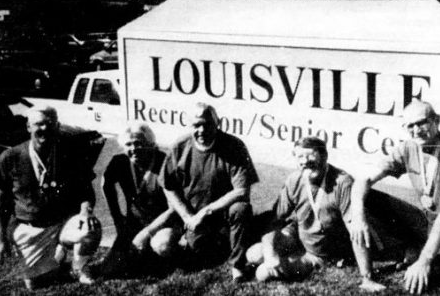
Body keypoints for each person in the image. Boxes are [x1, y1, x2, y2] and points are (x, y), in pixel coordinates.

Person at [350, 100, 440, 294]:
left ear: (436, 121)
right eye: (410, 126)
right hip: (427, 221)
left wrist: (425, 261)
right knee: (367, 198)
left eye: (422, 123)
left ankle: (420, 254)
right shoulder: (408, 147)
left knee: (426, 276)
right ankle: (410, 251)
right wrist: (358, 216)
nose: (416, 130)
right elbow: (363, 179)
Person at [246, 137, 386, 292]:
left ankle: (294, 260)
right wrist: (271, 253)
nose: (304, 162)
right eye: (300, 157)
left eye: (310, 157)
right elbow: (275, 219)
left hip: (320, 253)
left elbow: (355, 229)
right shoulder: (295, 179)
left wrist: (367, 278)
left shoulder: (342, 182)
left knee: (263, 273)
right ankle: (285, 256)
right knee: (253, 254)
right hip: (298, 236)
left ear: (325, 156)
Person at [0, 105, 102, 290]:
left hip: (63, 222)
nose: (45, 129)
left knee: (91, 227)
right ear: (28, 127)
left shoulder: (71, 151)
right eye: (39, 124)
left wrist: (85, 212)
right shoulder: (10, 157)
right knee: (35, 284)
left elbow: (86, 192)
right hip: (31, 227)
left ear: (57, 126)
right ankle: (57, 256)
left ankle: (80, 266)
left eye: (50, 124)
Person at [159, 102, 259, 281]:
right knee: (196, 253)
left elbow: (241, 191)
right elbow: (168, 186)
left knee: (241, 209)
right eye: (197, 125)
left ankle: (237, 265)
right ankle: (217, 243)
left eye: (207, 124)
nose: (202, 130)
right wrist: (187, 217)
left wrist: (206, 212)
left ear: (217, 123)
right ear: (189, 125)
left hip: (223, 214)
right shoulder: (179, 147)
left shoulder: (234, 146)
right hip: (194, 217)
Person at [100, 122, 179, 277]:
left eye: (138, 143)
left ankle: (171, 256)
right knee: (108, 270)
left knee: (162, 245)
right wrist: (117, 218)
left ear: (150, 144)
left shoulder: (164, 163)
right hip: (134, 223)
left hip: (164, 223)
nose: (133, 148)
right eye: (128, 144)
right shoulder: (120, 162)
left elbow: (173, 208)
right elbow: (105, 184)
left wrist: (146, 233)